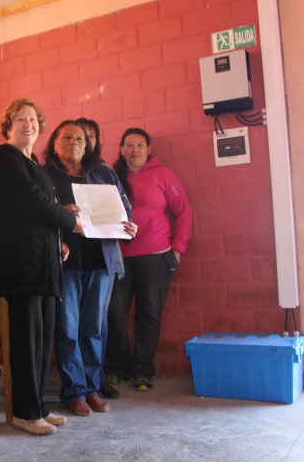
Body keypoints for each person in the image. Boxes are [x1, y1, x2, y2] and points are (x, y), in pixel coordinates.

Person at [0, 98, 79, 436]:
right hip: (22, 263)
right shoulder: (5, 157)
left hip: (45, 262)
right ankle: (24, 412)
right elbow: (32, 201)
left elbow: (43, 209)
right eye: (20, 119)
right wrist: (68, 222)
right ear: (8, 127)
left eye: (33, 120)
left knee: (42, 340)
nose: (28, 125)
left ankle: (39, 406)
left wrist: (58, 238)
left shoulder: (34, 162)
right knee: (26, 341)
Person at [42, 120, 136, 417]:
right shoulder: (47, 176)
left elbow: (124, 210)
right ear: (54, 144)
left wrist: (128, 226)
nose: (74, 142)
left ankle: (93, 388)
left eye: (80, 138)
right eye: (66, 137)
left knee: (93, 328)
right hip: (65, 264)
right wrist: (61, 215)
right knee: (68, 329)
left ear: (89, 144)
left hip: (101, 261)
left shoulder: (104, 173)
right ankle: (74, 392)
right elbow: (38, 215)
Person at [106, 127, 192, 391]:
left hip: (155, 256)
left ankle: (142, 369)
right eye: (129, 145)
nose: (134, 150)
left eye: (140, 145)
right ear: (121, 149)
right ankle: (118, 366)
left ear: (149, 148)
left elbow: (184, 213)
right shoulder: (110, 177)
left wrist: (177, 249)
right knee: (115, 312)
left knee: (149, 314)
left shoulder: (164, 175)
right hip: (119, 256)